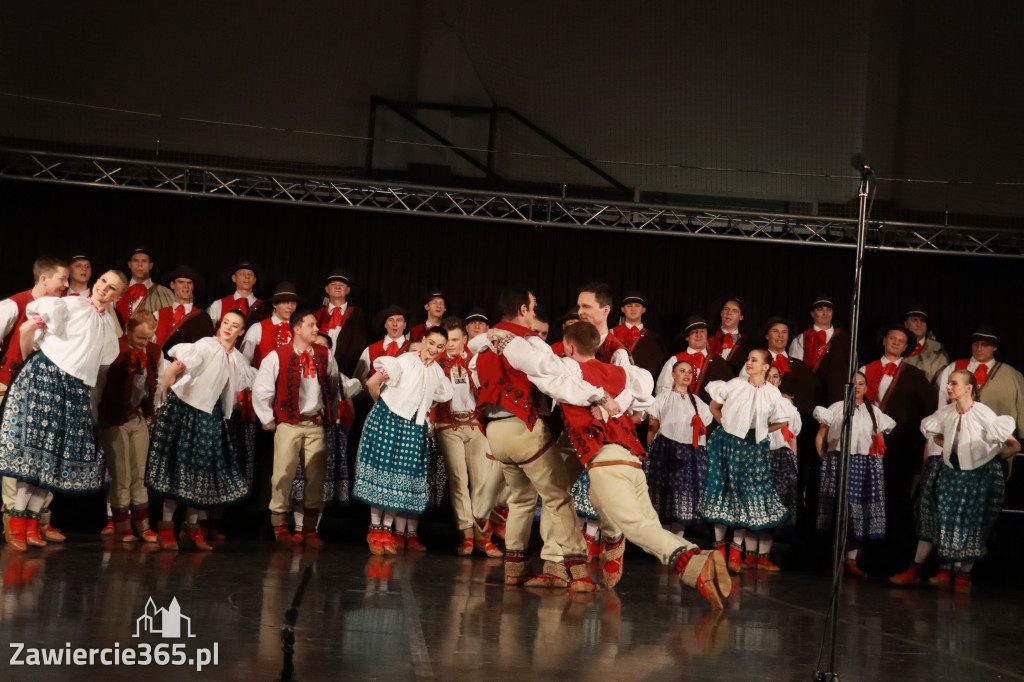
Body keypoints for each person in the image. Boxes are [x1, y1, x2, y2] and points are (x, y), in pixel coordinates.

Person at [504, 321, 730, 606]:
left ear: (569, 348)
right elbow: (643, 394)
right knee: (648, 524)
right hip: (632, 461)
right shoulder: (621, 372)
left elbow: (537, 366)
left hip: (606, 462)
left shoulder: (569, 372)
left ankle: (693, 563)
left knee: (637, 528)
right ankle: (697, 558)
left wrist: (508, 339)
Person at [469, 287, 613, 588]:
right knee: (558, 498)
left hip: (494, 432)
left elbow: (475, 376)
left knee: (521, 500)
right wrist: (596, 397)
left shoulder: (484, 345)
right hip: (524, 427)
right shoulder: (530, 343)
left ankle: (515, 569)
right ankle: (578, 574)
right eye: (533, 308)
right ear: (523, 310)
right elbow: (555, 379)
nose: (535, 314)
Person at [0, 270, 125, 551]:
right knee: (33, 452)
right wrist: (30, 363)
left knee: (52, 455)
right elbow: (26, 329)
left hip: (74, 388)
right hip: (46, 376)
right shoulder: (70, 304)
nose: (105, 288)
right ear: (96, 283)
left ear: (118, 296)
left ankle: (32, 523)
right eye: (103, 281)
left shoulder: (107, 326)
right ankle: (17, 524)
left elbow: (102, 360)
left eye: (112, 287)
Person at [891, 370, 1019, 592]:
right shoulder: (946, 413)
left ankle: (963, 575)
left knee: (971, 523)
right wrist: (953, 447)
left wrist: (989, 458)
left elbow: (1013, 445)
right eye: (949, 383)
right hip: (950, 471)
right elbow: (938, 435)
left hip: (978, 475)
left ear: (969, 388)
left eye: (954, 383)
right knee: (932, 517)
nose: (949, 387)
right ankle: (917, 568)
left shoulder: (983, 413)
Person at [146, 310, 256, 551]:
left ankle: (191, 529)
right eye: (225, 322)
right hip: (185, 409)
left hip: (210, 415)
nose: (228, 327)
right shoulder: (206, 345)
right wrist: (165, 395)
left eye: (234, 325)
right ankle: (166, 529)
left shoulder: (236, 358)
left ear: (241, 331)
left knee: (200, 472)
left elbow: (239, 385)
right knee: (177, 468)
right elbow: (173, 369)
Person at [353, 326, 453, 554]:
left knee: (400, 481)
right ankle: (375, 529)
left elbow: (437, 397)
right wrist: (384, 408)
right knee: (382, 475)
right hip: (388, 421)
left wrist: (422, 416)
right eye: (432, 343)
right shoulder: (405, 361)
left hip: (413, 429)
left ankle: (387, 532)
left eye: (440, 346)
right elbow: (372, 383)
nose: (434, 349)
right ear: (424, 339)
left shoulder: (437, 372)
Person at [698, 349, 795, 573]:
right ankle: (719, 551)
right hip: (727, 442)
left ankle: (736, 552)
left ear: (766, 367)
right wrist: (727, 426)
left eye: (754, 360)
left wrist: (759, 432)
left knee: (745, 496)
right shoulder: (735, 384)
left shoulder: (772, 393)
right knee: (723, 492)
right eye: (748, 359)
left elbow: (781, 421)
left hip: (753, 446)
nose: (749, 363)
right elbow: (714, 406)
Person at [253, 309, 340, 548]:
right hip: (289, 423)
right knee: (283, 473)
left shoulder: (324, 354)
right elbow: (262, 389)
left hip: (314, 423)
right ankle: (280, 525)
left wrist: (331, 414)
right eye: (311, 325)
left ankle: (310, 529)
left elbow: (333, 386)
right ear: (297, 329)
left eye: (316, 326)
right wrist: (267, 418)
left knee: (315, 477)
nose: (316, 329)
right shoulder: (277, 355)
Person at [860, 326, 937, 566]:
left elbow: (928, 409)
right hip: (865, 444)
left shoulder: (914, 374)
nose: (895, 342)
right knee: (864, 496)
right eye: (891, 338)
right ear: (884, 341)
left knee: (894, 497)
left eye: (900, 340)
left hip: (898, 447)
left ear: (906, 347)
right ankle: (860, 551)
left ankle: (892, 552)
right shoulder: (865, 369)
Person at [432, 317, 504, 557]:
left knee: (482, 481)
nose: (450, 345)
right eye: (447, 340)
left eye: (455, 340)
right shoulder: (437, 364)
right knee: (458, 479)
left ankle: (484, 535)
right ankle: (466, 534)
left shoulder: (475, 361)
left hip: (473, 423)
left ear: (465, 340)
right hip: (448, 424)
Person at [814, 372, 896, 577]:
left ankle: (851, 561)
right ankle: (837, 560)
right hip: (839, 461)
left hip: (864, 465)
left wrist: (875, 465)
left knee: (858, 514)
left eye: (861, 384)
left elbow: (880, 443)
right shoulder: (835, 408)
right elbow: (821, 436)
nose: (857, 388)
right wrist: (825, 458)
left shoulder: (874, 412)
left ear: (866, 388)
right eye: (853, 384)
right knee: (840, 511)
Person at [95, 311, 162, 543]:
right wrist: (96, 419)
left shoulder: (154, 351)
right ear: (128, 331)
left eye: (148, 338)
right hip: (114, 419)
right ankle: (123, 525)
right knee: (121, 474)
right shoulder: (115, 350)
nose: (144, 343)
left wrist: (152, 411)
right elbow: (99, 386)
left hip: (138, 417)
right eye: (140, 338)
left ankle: (143, 525)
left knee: (139, 473)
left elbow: (156, 383)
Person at [644, 360, 714, 537]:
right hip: (666, 450)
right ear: (673, 375)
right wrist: (648, 451)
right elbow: (652, 427)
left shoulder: (698, 402)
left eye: (690, 372)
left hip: (689, 453)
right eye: (682, 371)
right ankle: (663, 544)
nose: (686, 375)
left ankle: (677, 544)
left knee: (684, 497)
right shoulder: (664, 397)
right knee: (665, 495)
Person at [934, 325, 1024, 431]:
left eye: (984, 345)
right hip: (961, 430)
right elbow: (942, 400)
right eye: (975, 344)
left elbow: (1021, 405)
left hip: (997, 433)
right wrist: (943, 428)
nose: (979, 349)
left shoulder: (1010, 374)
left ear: (994, 347)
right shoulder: (954, 368)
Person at [789, 295, 850, 404]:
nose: (825, 313)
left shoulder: (845, 338)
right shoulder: (801, 339)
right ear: (812, 313)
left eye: (829, 310)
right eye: (820, 309)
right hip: (809, 397)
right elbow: (795, 371)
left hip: (837, 397)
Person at [312, 269, 369, 377]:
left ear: (347, 290)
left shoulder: (357, 314)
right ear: (327, 289)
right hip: (317, 367)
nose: (337, 287)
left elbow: (359, 343)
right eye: (333, 284)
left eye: (342, 285)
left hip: (346, 370)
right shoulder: (316, 315)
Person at [241, 281, 299, 369]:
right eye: (285, 302)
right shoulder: (258, 328)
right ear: (275, 304)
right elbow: (244, 361)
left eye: (293, 303)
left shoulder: (298, 329)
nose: (290, 307)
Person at [655, 315, 711, 397]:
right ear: (687, 337)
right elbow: (662, 389)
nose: (699, 335)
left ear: (706, 334)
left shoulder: (717, 361)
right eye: (694, 332)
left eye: (702, 331)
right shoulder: (675, 360)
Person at [153, 265, 206, 348]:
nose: (186, 286)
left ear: (193, 287)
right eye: (181, 282)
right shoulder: (157, 315)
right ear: (172, 285)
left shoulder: (200, 316)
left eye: (189, 283)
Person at [353, 304, 410, 382]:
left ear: (404, 325)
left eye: (399, 320)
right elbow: (358, 380)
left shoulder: (412, 348)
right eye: (390, 320)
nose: (394, 324)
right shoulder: (370, 350)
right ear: (385, 325)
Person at [115, 246, 173, 321]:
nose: (140, 264)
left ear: (150, 265)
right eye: (136, 261)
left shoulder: (164, 293)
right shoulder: (117, 290)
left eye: (144, 261)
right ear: (129, 264)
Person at [901, 306, 949, 383]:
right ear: (905, 323)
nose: (919, 324)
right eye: (914, 320)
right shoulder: (896, 345)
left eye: (922, 321)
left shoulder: (937, 349)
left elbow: (942, 382)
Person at [207, 261, 261, 327]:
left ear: (254, 280)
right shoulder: (218, 305)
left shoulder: (263, 306)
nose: (247, 276)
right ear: (234, 278)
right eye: (242, 273)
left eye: (250, 274)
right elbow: (208, 331)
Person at [707, 297, 751, 375]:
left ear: (741, 317)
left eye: (734, 311)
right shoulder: (708, 338)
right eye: (726, 309)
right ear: (721, 313)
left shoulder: (747, 343)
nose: (729, 313)